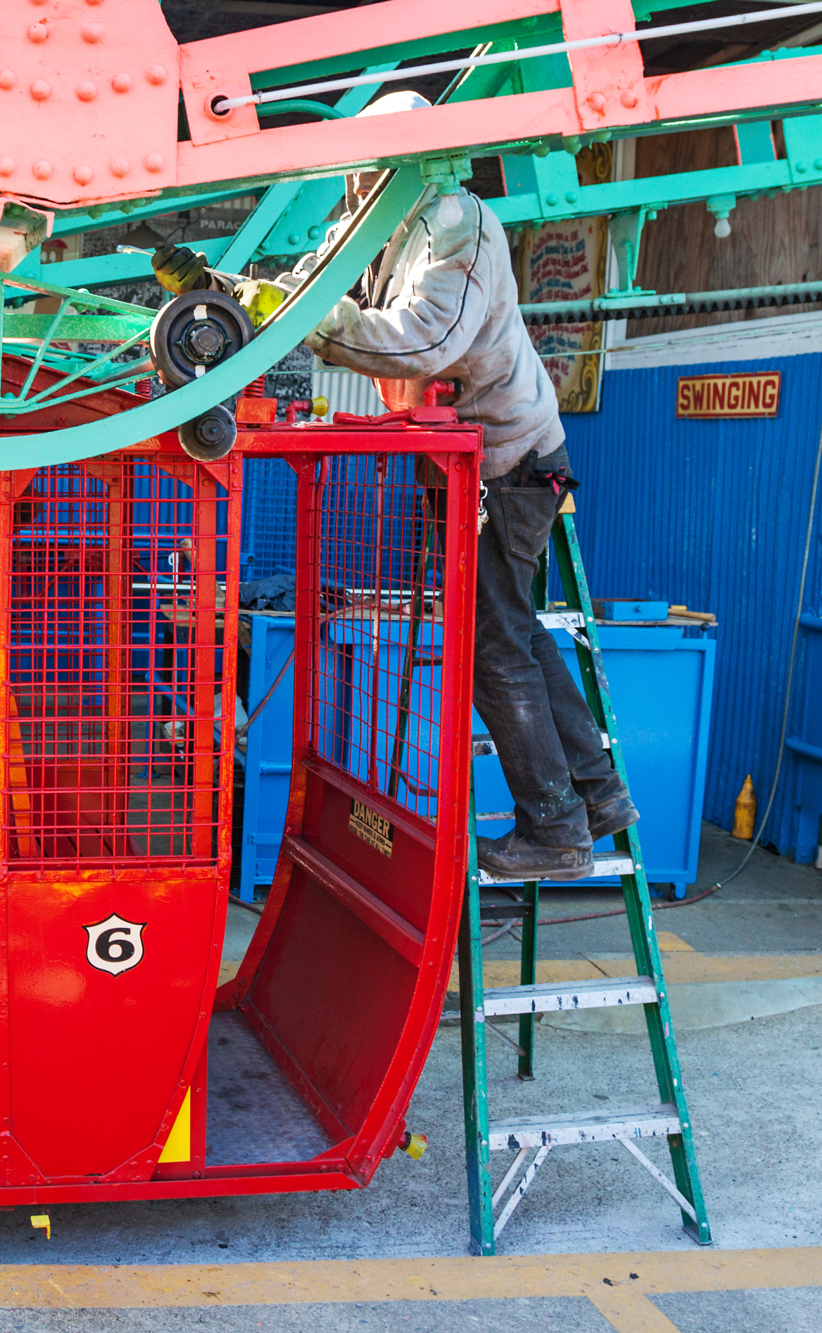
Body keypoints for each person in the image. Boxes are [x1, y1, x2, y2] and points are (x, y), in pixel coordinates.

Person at [152, 92, 636, 883]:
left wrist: (308, 322)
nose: (356, 183)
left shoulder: (459, 225)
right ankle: (597, 791)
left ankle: (555, 830)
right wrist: (237, 292)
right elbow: (309, 287)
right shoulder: (374, 222)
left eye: (367, 169)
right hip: (465, 458)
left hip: (506, 460)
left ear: (400, 161)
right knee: (513, 627)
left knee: (491, 643)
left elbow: (422, 341)